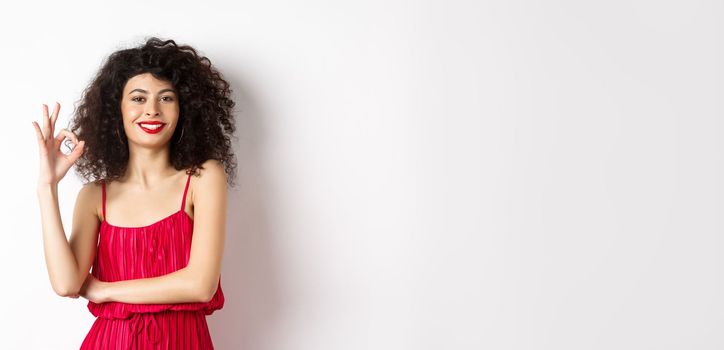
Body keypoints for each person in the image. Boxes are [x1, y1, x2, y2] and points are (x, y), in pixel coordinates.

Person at [33, 37, 237, 349]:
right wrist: (47, 186)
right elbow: (66, 283)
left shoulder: (203, 178)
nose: (152, 110)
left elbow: (199, 286)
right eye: (138, 99)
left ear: (184, 109)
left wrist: (106, 291)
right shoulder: (94, 196)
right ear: (117, 110)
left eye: (166, 98)